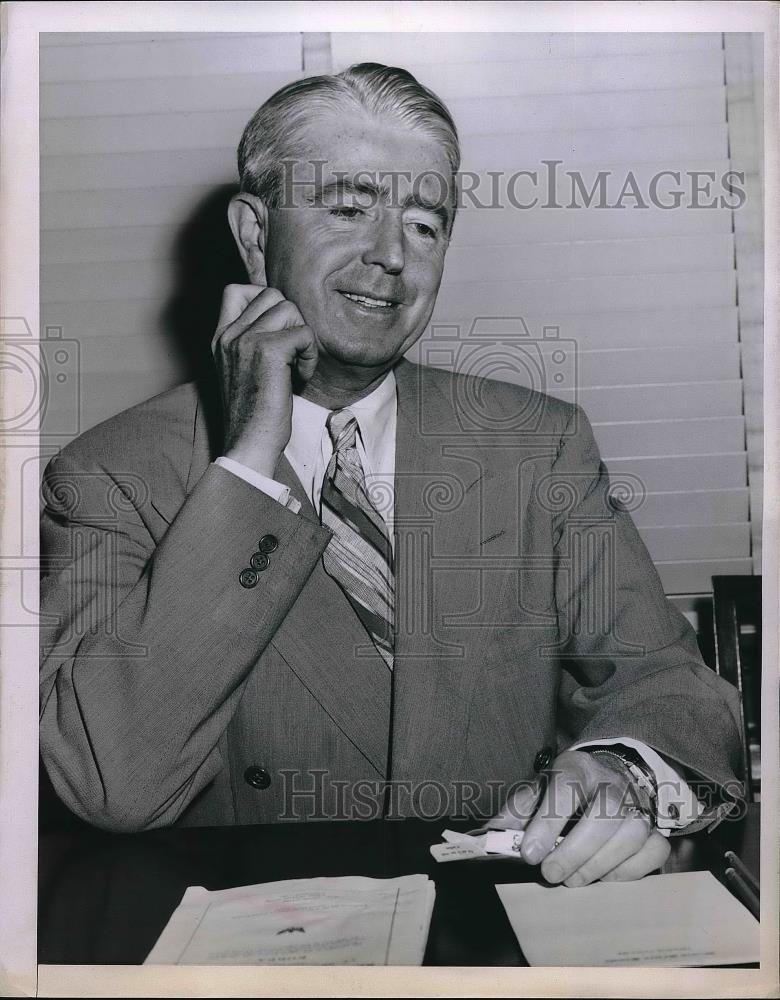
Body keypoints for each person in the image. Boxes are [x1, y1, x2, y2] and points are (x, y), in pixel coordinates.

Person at [40, 63, 744, 888]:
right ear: (255, 235)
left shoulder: (537, 444)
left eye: (424, 225)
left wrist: (620, 773)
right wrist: (250, 463)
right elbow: (108, 781)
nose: (389, 258)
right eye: (348, 209)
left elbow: (672, 688)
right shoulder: (110, 474)